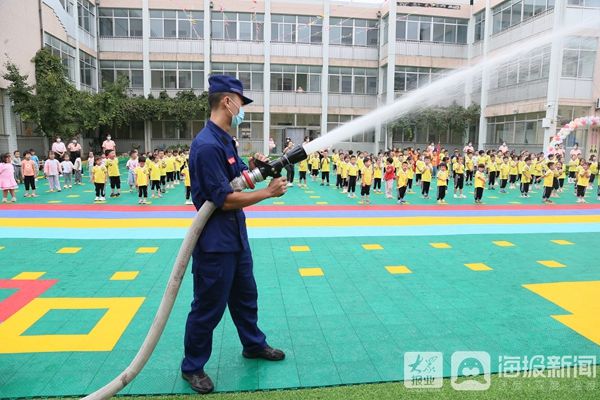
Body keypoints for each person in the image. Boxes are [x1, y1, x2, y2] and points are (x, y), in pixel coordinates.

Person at [182, 75, 287, 394]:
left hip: (235, 238)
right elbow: (223, 199)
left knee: (245, 297)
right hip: (215, 244)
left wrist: (256, 167)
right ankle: (192, 366)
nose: (243, 108)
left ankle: (253, 344)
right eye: (241, 101)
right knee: (208, 307)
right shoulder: (206, 145)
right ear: (227, 101)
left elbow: (239, 178)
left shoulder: (225, 139)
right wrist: (268, 193)